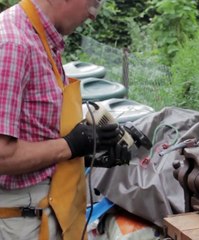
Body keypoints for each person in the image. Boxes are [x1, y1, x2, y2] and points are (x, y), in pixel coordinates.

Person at [0, 0, 118, 239]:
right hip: (22, 220)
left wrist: (93, 148)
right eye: (94, 3)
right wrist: (71, 145)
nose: (94, 15)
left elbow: (37, 130)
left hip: (47, 206)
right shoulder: (13, 44)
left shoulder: (41, 39)